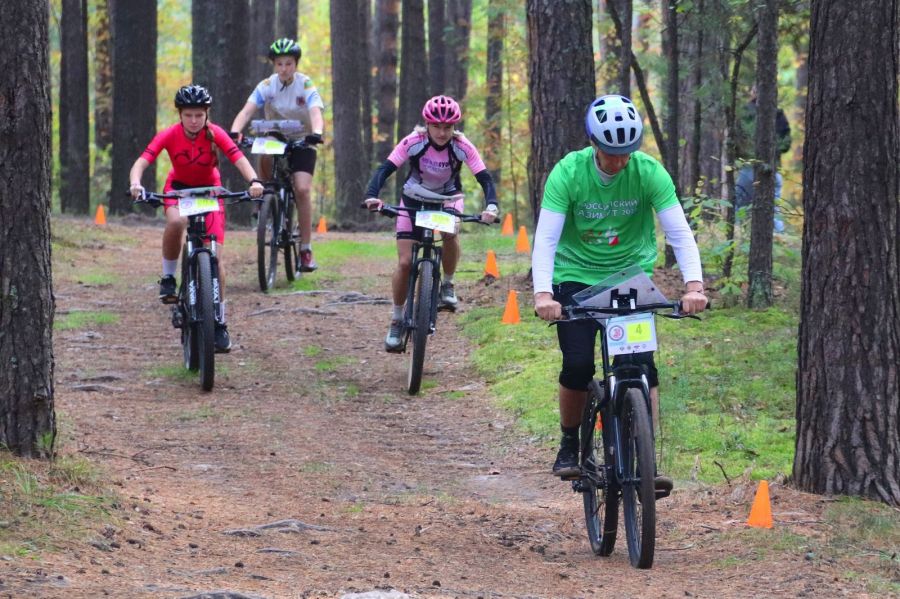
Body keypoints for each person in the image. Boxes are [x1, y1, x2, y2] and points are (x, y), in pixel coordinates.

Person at [532, 94, 708, 488]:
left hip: (630, 277)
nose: (620, 160)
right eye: (612, 153)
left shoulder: (649, 173)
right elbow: (546, 238)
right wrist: (544, 295)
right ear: (594, 144)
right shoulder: (568, 173)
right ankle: (569, 443)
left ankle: (645, 454)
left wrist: (694, 285)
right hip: (576, 276)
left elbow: (679, 232)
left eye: (627, 151)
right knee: (578, 365)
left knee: (643, 366)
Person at [129, 84, 265, 353]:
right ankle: (168, 278)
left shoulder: (215, 134)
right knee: (177, 222)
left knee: (216, 258)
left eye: (199, 115)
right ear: (180, 114)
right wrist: (136, 183)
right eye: (188, 115)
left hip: (210, 193)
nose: (194, 120)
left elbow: (238, 158)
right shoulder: (169, 134)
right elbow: (143, 160)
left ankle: (219, 322)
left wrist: (254, 181)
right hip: (178, 189)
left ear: (207, 114)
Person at [364, 95, 499, 351]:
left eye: (447, 127)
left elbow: (485, 178)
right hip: (414, 198)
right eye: (436, 126)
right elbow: (385, 169)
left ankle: (446, 283)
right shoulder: (413, 141)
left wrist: (491, 206)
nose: (441, 132)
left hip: (447, 199)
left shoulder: (462, 146)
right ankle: (396, 318)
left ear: (455, 127)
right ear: (427, 124)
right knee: (405, 263)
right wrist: (372, 196)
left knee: (450, 234)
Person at [230, 38, 325, 272]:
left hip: (303, 138)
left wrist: (317, 132)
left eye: (289, 64)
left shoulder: (305, 85)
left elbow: (315, 112)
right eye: (280, 64)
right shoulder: (266, 85)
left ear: (296, 64)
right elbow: (246, 111)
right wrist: (234, 131)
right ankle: (265, 194)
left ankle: (305, 248)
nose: (284, 69)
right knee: (264, 147)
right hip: (275, 136)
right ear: (274, 65)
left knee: (302, 189)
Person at [734, 84, 791, 233]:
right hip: (772, 170)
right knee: (774, 212)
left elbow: (735, 143)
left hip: (748, 170)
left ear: (753, 92)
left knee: (740, 211)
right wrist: (772, 152)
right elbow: (786, 144)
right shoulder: (778, 114)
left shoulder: (745, 113)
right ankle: (779, 244)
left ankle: (738, 244)